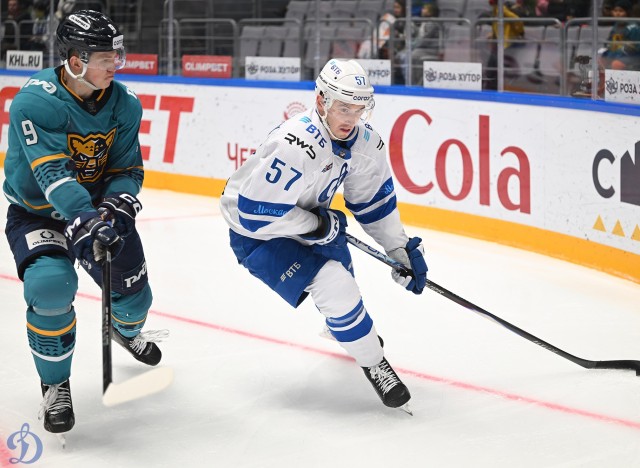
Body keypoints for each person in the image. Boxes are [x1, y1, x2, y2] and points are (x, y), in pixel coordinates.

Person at [219, 58, 428, 413]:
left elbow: (374, 203)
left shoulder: (366, 143)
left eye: (359, 109)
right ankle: (375, 363)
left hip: (311, 221)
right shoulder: (296, 143)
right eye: (343, 108)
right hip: (257, 235)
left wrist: (398, 249)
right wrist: (316, 226)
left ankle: (344, 328)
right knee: (336, 284)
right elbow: (255, 215)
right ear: (321, 101)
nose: (351, 118)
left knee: (345, 288)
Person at [3, 10, 167, 435]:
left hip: (95, 212)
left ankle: (125, 331)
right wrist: (87, 218)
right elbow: (52, 174)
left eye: (117, 55)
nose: (116, 64)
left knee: (135, 301)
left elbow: (127, 168)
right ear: (76, 60)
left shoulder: (125, 104)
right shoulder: (36, 101)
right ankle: (55, 384)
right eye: (106, 58)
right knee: (50, 287)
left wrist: (115, 207)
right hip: (38, 213)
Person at [599, 0, 640, 71]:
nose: (617, 13)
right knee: (601, 60)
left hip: (632, 56)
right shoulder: (615, 26)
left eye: (621, 11)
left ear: (627, 12)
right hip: (616, 54)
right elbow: (609, 42)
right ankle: (603, 79)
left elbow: (636, 48)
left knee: (616, 64)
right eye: (615, 11)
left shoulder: (633, 28)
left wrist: (625, 47)